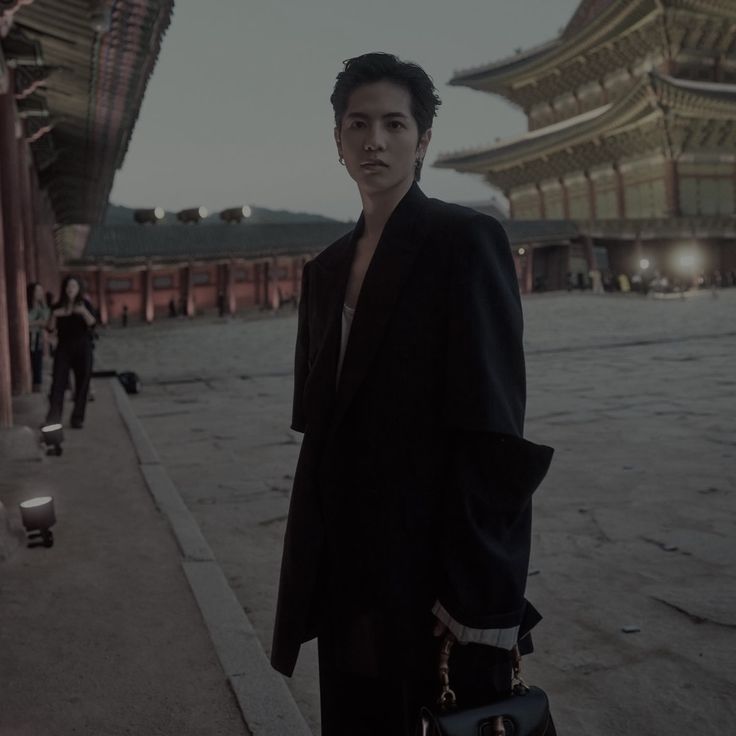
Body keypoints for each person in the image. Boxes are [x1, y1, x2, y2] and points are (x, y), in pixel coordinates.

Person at [271, 53, 554, 736]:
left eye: (394, 124)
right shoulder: (325, 271)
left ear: (421, 141)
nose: (375, 140)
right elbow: (320, 425)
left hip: (429, 569)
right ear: (337, 141)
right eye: (357, 124)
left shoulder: (464, 241)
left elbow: (493, 426)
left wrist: (477, 595)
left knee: (428, 719)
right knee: (353, 718)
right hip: (346, 565)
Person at [45, 275, 96, 429]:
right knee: (58, 382)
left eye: (74, 286)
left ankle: (77, 418)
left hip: (83, 346)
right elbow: (50, 328)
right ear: (64, 288)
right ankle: (54, 418)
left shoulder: (85, 304)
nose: (70, 289)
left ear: (78, 288)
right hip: (64, 347)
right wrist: (54, 315)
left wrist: (82, 312)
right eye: (68, 286)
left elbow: (93, 324)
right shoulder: (57, 306)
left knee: (82, 383)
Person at [27, 283, 50, 393]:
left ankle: (37, 386)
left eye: (41, 291)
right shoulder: (26, 306)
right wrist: (37, 323)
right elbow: (24, 323)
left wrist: (33, 323)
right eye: (37, 291)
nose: (40, 293)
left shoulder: (43, 307)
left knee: (38, 362)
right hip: (28, 337)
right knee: (30, 362)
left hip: (38, 338)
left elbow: (47, 322)